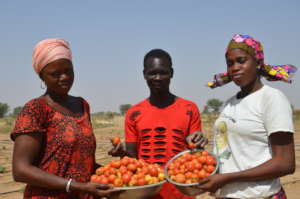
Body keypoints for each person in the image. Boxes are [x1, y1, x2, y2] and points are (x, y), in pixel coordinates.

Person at [11, 38, 118, 199]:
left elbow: (82, 162)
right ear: (42, 76)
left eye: (68, 70)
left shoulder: (82, 105)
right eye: (55, 74)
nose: (64, 77)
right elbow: (20, 170)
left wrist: (115, 174)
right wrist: (76, 186)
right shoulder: (35, 109)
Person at [199, 34, 297, 199]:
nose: (234, 67)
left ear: (258, 63)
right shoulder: (229, 104)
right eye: (230, 63)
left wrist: (227, 178)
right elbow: (231, 153)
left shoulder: (271, 98)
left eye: (241, 61)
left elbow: (285, 163)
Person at [109, 49, 208, 199]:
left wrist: (199, 142)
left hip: (181, 192)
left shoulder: (189, 109)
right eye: (152, 73)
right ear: (144, 74)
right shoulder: (134, 113)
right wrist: (121, 153)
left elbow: (196, 154)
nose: (158, 78)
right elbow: (131, 159)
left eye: (163, 72)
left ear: (172, 73)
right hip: (146, 191)